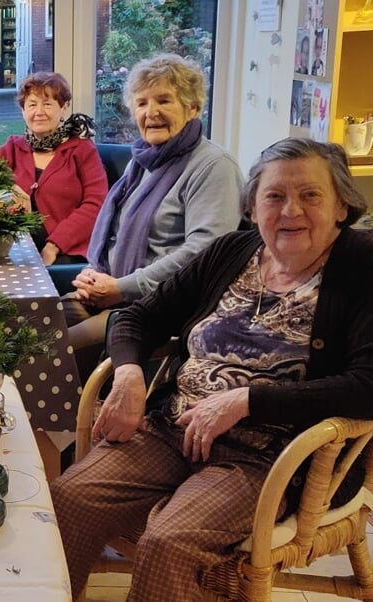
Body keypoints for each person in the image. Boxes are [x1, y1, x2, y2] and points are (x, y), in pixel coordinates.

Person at [51, 137, 373, 601]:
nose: (290, 211)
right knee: (70, 498)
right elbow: (136, 316)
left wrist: (248, 400)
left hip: (269, 456)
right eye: (274, 196)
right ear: (253, 205)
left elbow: (368, 383)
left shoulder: (363, 268)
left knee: (169, 541)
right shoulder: (232, 252)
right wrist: (128, 373)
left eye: (310, 195)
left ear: (341, 205)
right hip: (172, 428)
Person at [66, 54, 243, 369]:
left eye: (165, 100)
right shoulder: (146, 160)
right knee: (31, 326)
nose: (151, 112)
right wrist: (96, 274)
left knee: (48, 349)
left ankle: (76, 417)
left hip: (161, 310)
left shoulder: (214, 167)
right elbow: (116, 233)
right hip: (118, 293)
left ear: (193, 108)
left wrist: (121, 288)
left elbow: (205, 253)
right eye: (142, 102)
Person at [0, 72, 107, 265]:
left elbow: (97, 204)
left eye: (47, 104)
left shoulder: (82, 150)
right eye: (31, 104)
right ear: (23, 111)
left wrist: (54, 245)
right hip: (16, 248)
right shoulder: (12, 147)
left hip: (67, 251)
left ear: (63, 108)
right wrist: (7, 191)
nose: (39, 112)